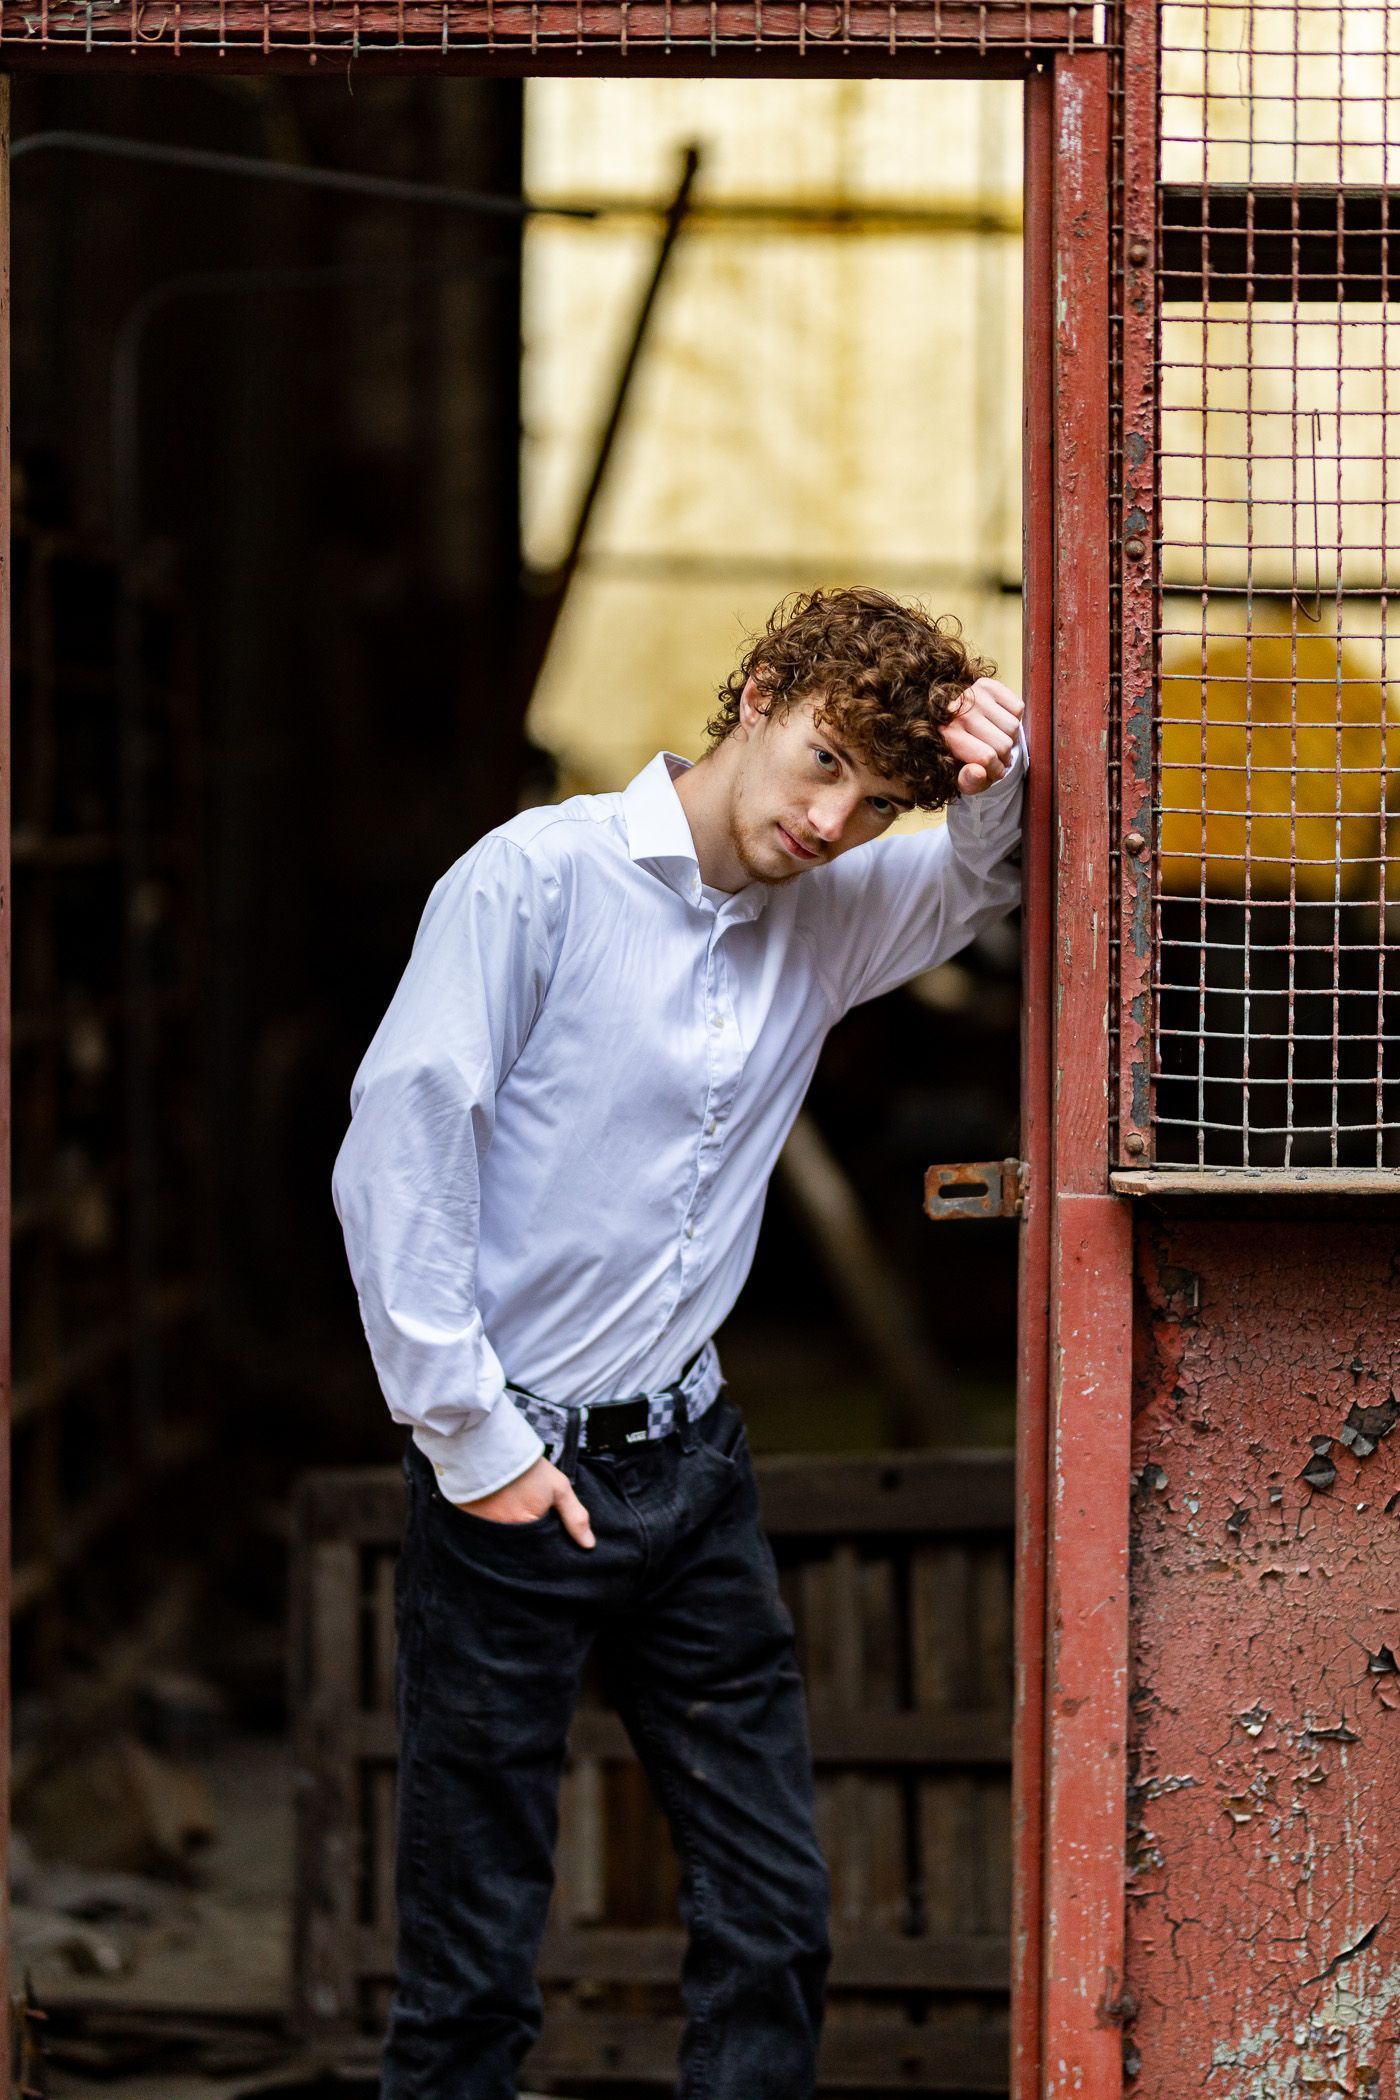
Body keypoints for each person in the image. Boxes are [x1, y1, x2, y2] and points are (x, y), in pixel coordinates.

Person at [331, 585, 1026, 2100]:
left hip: (693, 1473)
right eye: (826, 760)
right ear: (761, 693)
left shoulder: (823, 922)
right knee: (473, 1963)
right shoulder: (537, 879)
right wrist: (472, 1438)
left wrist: (997, 772)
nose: (836, 820)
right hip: (514, 1476)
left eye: (879, 799)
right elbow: (400, 1142)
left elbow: (983, 884)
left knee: (773, 1925)